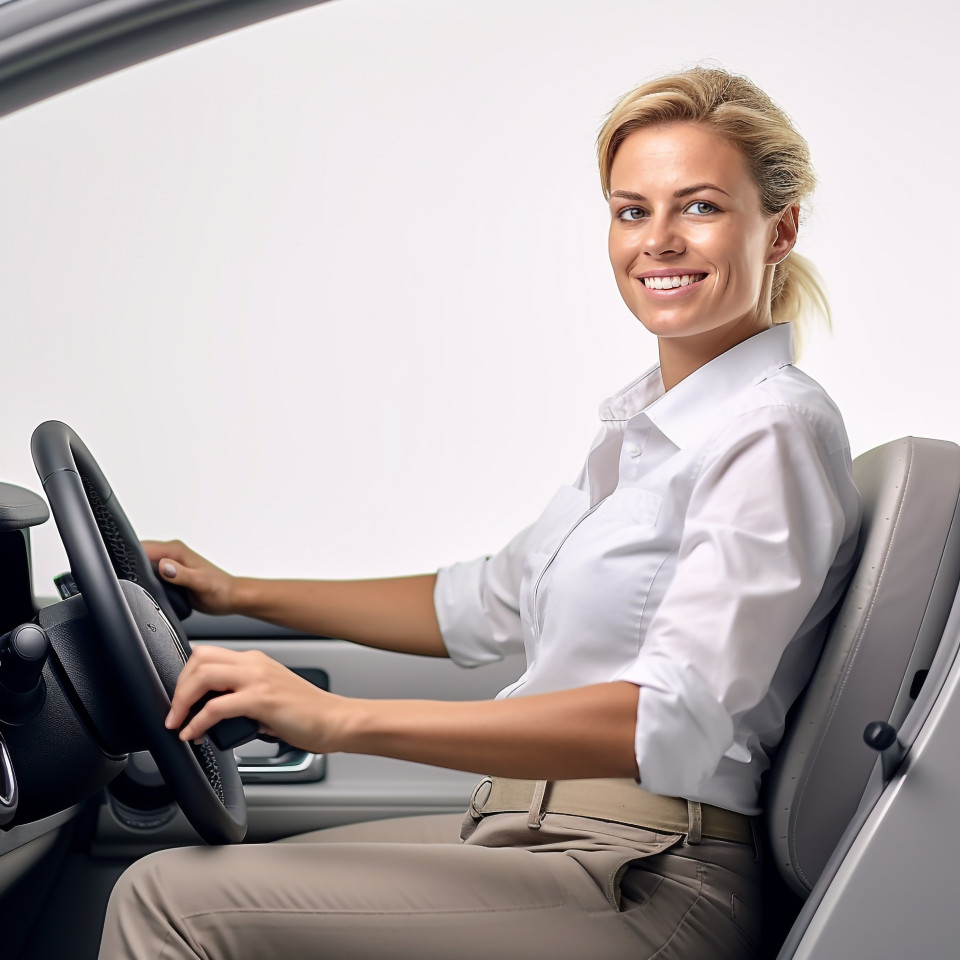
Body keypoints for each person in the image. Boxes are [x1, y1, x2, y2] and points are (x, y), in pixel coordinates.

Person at [99, 65, 861, 959]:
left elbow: (664, 717)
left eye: (699, 207)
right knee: (197, 879)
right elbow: (480, 603)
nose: (658, 240)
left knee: (168, 901)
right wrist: (236, 591)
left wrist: (337, 719)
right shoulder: (649, 433)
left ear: (780, 229)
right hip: (535, 835)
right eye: (631, 211)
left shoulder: (770, 431)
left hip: (645, 876)